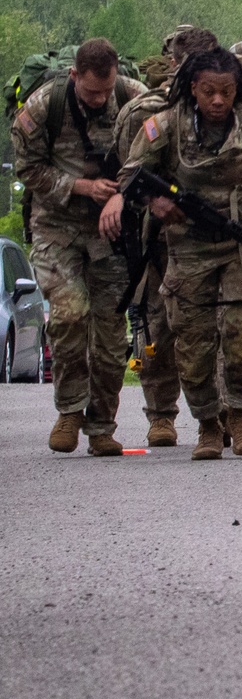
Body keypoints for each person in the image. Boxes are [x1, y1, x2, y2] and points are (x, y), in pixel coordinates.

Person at [101, 25, 242, 448]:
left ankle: (241, 415)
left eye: (226, 93)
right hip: (188, 246)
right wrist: (156, 203)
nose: (217, 101)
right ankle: (209, 424)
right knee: (192, 347)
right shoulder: (163, 126)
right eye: (209, 91)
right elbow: (130, 176)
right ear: (193, 87)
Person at [11, 39, 147, 456]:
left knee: (109, 335)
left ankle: (102, 425)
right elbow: (27, 169)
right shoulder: (41, 108)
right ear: (74, 76)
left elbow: (158, 156)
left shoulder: (133, 99)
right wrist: (80, 187)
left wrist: (122, 192)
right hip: (58, 227)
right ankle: (70, 408)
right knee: (70, 315)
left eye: (106, 91)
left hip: (111, 232)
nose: (101, 99)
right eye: (92, 92)